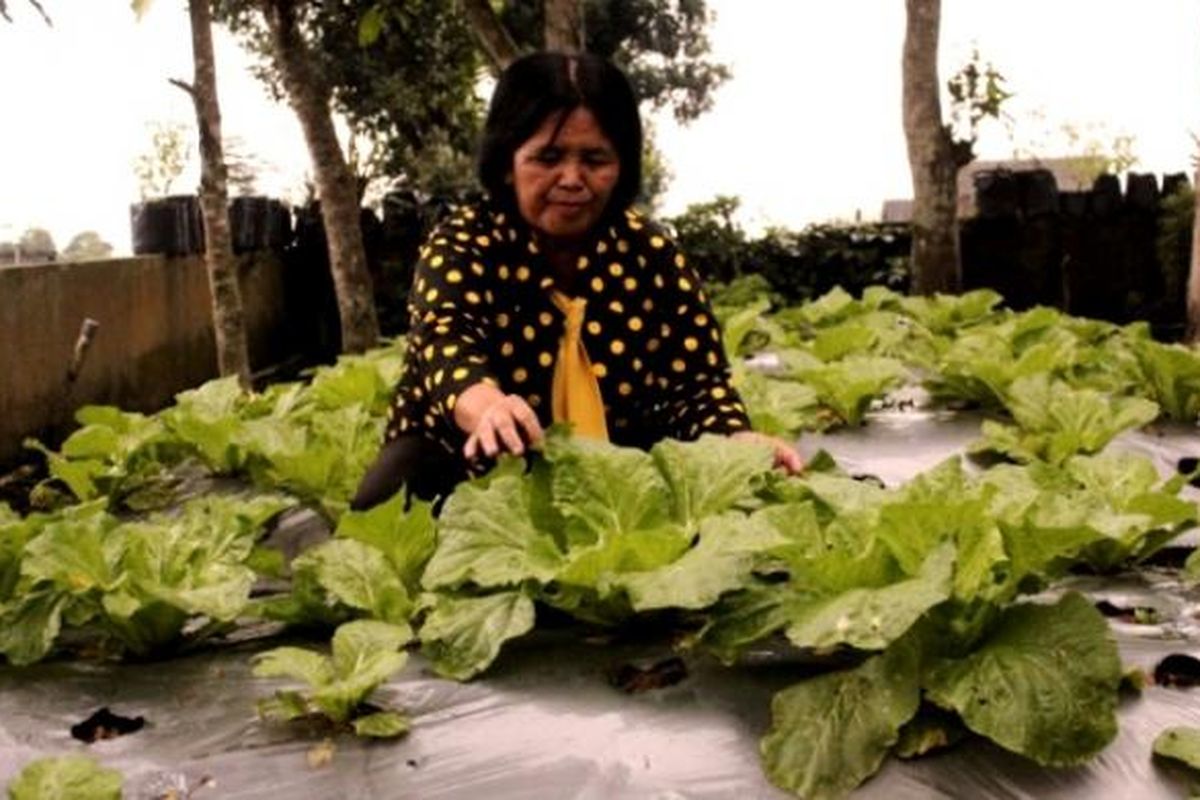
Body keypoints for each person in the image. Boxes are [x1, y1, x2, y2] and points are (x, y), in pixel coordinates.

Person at [352, 51, 801, 510]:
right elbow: (447, 343)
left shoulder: (653, 256)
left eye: (594, 159)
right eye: (548, 157)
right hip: (478, 471)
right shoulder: (465, 244)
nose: (572, 179)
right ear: (508, 161)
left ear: (621, 164)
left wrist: (736, 439)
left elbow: (697, 385)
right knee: (387, 498)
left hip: (619, 480)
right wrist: (490, 409)